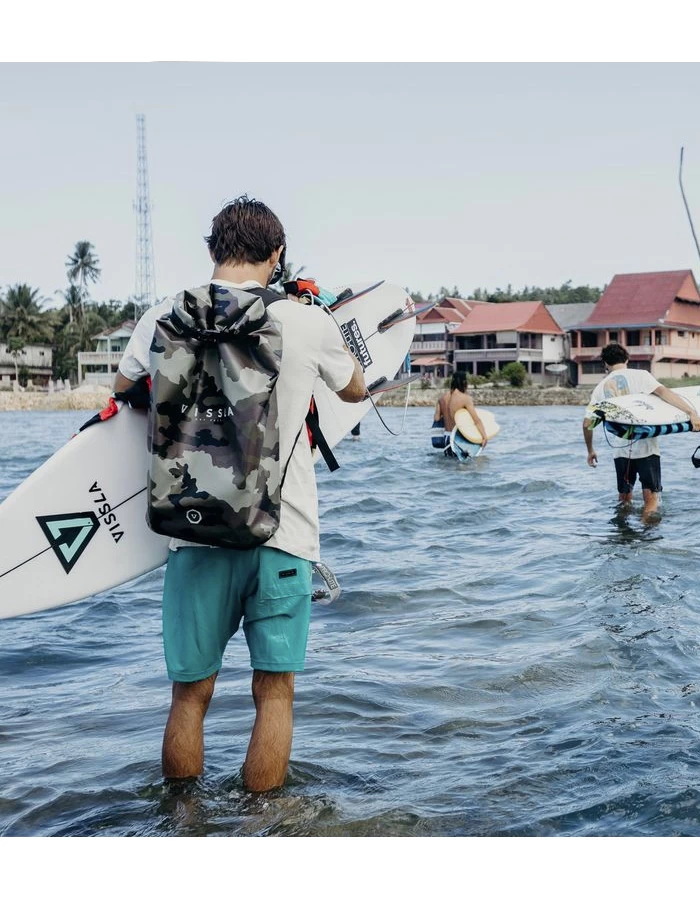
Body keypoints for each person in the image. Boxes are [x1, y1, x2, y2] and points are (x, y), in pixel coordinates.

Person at [113, 196, 366, 792]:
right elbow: (355, 389)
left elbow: (123, 387)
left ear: (211, 252)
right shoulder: (306, 321)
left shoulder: (163, 315)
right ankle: (265, 834)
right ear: (276, 255)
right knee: (274, 693)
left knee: (190, 695)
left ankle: (182, 825)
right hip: (283, 533)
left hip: (190, 528)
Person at [582, 342, 700, 519]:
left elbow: (587, 424)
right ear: (627, 359)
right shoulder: (641, 376)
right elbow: (665, 394)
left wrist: (590, 450)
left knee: (624, 498)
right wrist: (691, 413)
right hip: (647, 450)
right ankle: (647, 539)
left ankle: (624, 537)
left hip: (620, 452)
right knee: (651, 500)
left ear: (605, 364)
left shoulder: (601, 388)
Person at [432, 371, 488, 451]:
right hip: (459, 439)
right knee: (463, 463)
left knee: (448, 462)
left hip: (446, 438)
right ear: (464, 382)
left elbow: (436, 418)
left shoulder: (442, 398)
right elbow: (476, 420)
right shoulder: (465, 398)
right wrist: (484, 437)